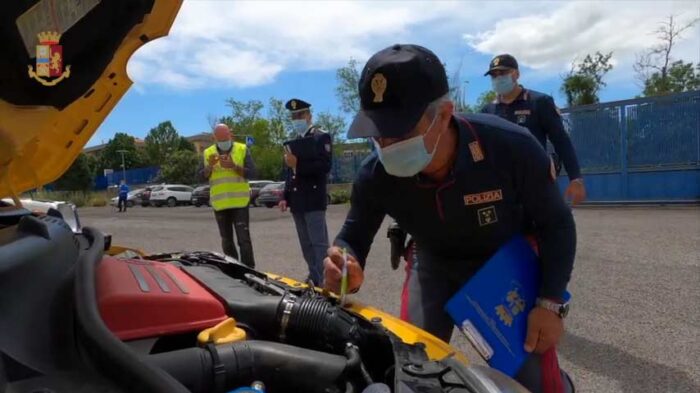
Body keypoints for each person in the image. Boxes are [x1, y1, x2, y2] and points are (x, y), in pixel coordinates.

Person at [323, 44, 575, 393]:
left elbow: (557, 224)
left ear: (443, 114)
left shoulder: (510, 146)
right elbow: (354, 235)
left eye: (400, 130)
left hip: (502, 265)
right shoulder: (375, 175)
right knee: (412, 368)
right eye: (378, 131)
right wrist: (343, 262)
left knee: (536, 384)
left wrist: (550, 303)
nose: (387, 143)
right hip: (433, 264)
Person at [481, 54, 586, 205]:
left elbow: (561, 141)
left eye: (502, 73)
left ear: (516, 74)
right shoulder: (488, 110)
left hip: (535, 183)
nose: (498, 79)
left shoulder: (539, 102)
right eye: (494, 76)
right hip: (502, 186)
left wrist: (575, 178)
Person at [278, 98, 332, 286]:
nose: (297, 118)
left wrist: (298, 164)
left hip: (314, 199)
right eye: (293, 116)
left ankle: (325, 282)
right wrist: (285, 196)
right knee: (306, 245)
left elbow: (324, 166)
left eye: (300, 114)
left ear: (309, 115)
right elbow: (290, 172)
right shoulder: (294, 142)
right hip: (297, 201)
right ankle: (315, 277)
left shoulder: (321, 137)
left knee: (319, 244)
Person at [202, 123, 256, 268]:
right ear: (215, 138)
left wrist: (234, 166)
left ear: (230, 135)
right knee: (226, 240)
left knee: (244, 240)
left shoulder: (242, 149)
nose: (223, 142)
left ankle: (249, 270)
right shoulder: (208, 153)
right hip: (220, 204)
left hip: (240, 203)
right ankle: (234, 270)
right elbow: (201, 176)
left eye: (225, 138)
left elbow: (252, 173)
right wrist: (210, 166)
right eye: (219, 139)